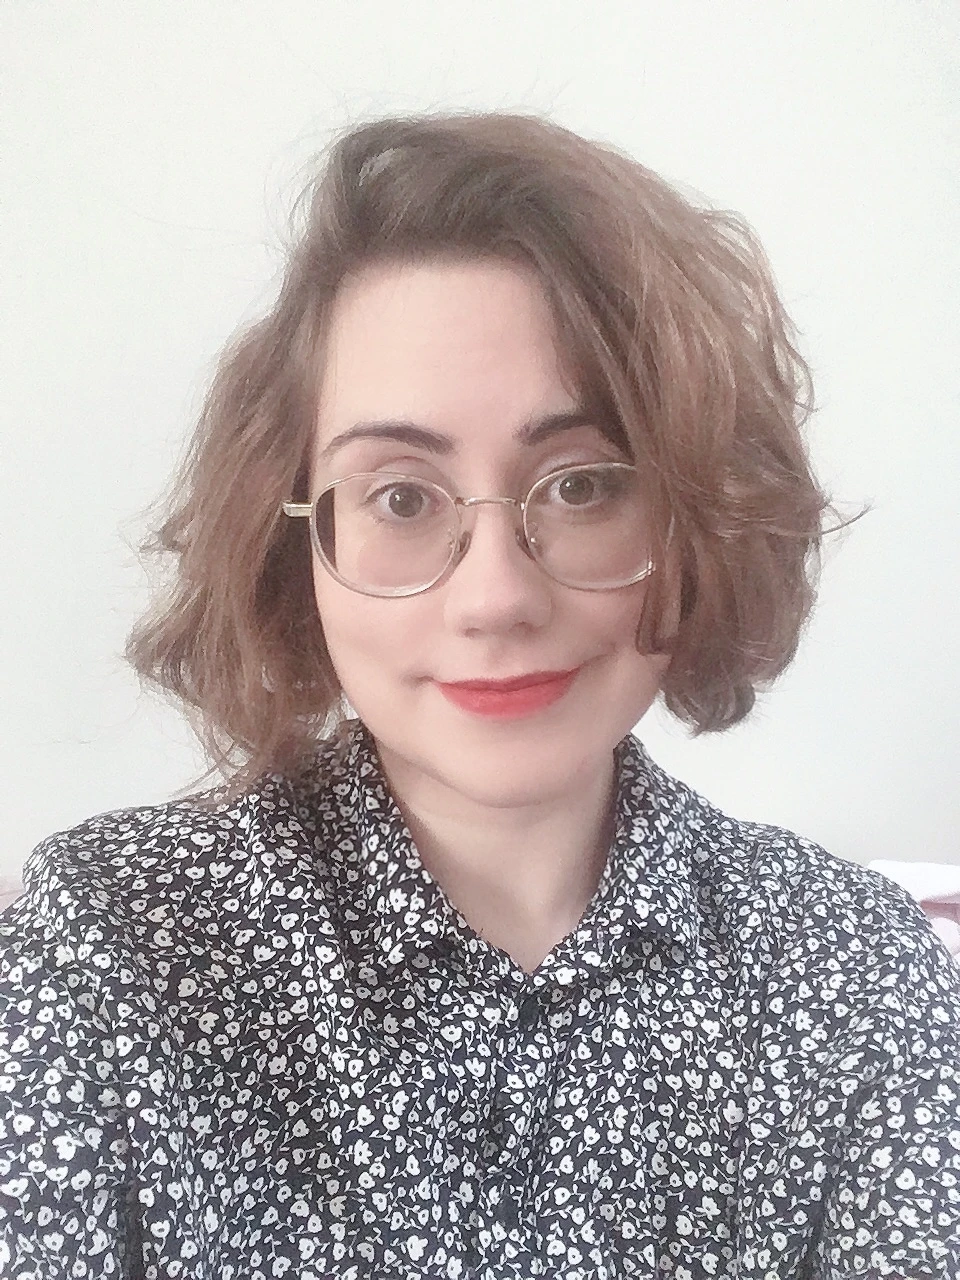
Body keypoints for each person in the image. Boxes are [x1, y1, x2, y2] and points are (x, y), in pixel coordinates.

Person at [1, 111, 957, 1280]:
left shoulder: (858, 969)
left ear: (695, 516)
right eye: (402, 497)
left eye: (584, 484)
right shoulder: (106, 952)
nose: (496, 596)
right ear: (293, 543)